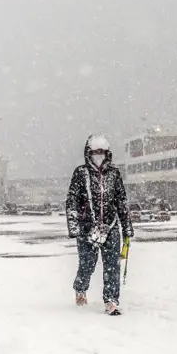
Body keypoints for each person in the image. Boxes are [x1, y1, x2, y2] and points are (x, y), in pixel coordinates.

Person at [65, 135, 134, 315]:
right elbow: (72, 201)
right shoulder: (80, 173)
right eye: (95, 152)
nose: (98, 155)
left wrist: (126, 226)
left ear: (107, 153)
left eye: (101, 152)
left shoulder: (114, 173)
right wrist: (74, 226)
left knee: (112, 265)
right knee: (87, 264)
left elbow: (121, 201)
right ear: (88, 153)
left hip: (110, 227)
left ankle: (111, 300)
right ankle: (80, 288)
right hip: (87, 228)